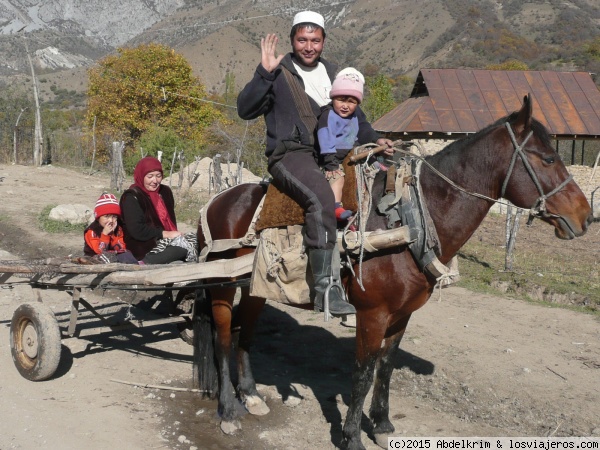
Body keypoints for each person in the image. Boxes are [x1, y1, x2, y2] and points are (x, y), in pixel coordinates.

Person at [237, 11, 393, 316]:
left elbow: (355, 118)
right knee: (322, 197)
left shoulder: (334, 73)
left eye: (315, 40)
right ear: (293, 40)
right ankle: (326, 288)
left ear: (323, 41)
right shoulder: (278, 72)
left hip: (332, 154)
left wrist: (376, 140)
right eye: (302, 39)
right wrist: (264, 74)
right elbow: (245, 109)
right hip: (292, 155)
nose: (309, 46)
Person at [317, 67, 382, 221]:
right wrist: (330, 163)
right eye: (341, 100)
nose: (345, 105)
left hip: (348, 152)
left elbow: (355, 137)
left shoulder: (353, 116)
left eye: (351, 102)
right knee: (337, 178)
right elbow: (325, 139)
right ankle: (336, 207)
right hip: (331, 157)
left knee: (368, 166)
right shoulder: (328, 116)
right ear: (333, 98)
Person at [119, 156, 197, 264]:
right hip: (144, 243)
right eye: (150, 176)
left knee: (197, 240)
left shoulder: (165, 192)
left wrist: (173, 235)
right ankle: (143, 264)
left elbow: (170, 220)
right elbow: (137, 230)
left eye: (158, 176)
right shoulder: (131, 197)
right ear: (141, 176)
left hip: (166, 239)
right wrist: (165, 234)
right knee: (180, 249)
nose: (155, 181)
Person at [83, 192, 138, 264]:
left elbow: (121, 248)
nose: (111, 220)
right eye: (106, 216)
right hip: (95, 258)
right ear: (98, 217)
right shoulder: (92, 231)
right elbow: (99, 251)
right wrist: (105, 235)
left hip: (112, 256)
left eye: (114, 217)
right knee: (110, 258)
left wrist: (113, 234)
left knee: (127, 255)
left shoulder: (117, 229)